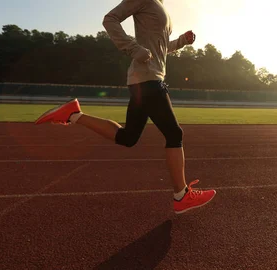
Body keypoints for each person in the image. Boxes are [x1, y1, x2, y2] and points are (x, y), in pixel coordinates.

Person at [34, 0, 216, 214]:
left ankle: (73, 114)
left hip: (147, 78)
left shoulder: (160, 5)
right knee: (174, 133)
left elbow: (161, 47)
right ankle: (181, 196)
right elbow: (110, 19)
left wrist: (181, 42)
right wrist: (133, 48)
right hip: (147, 79)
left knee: (128, 137)